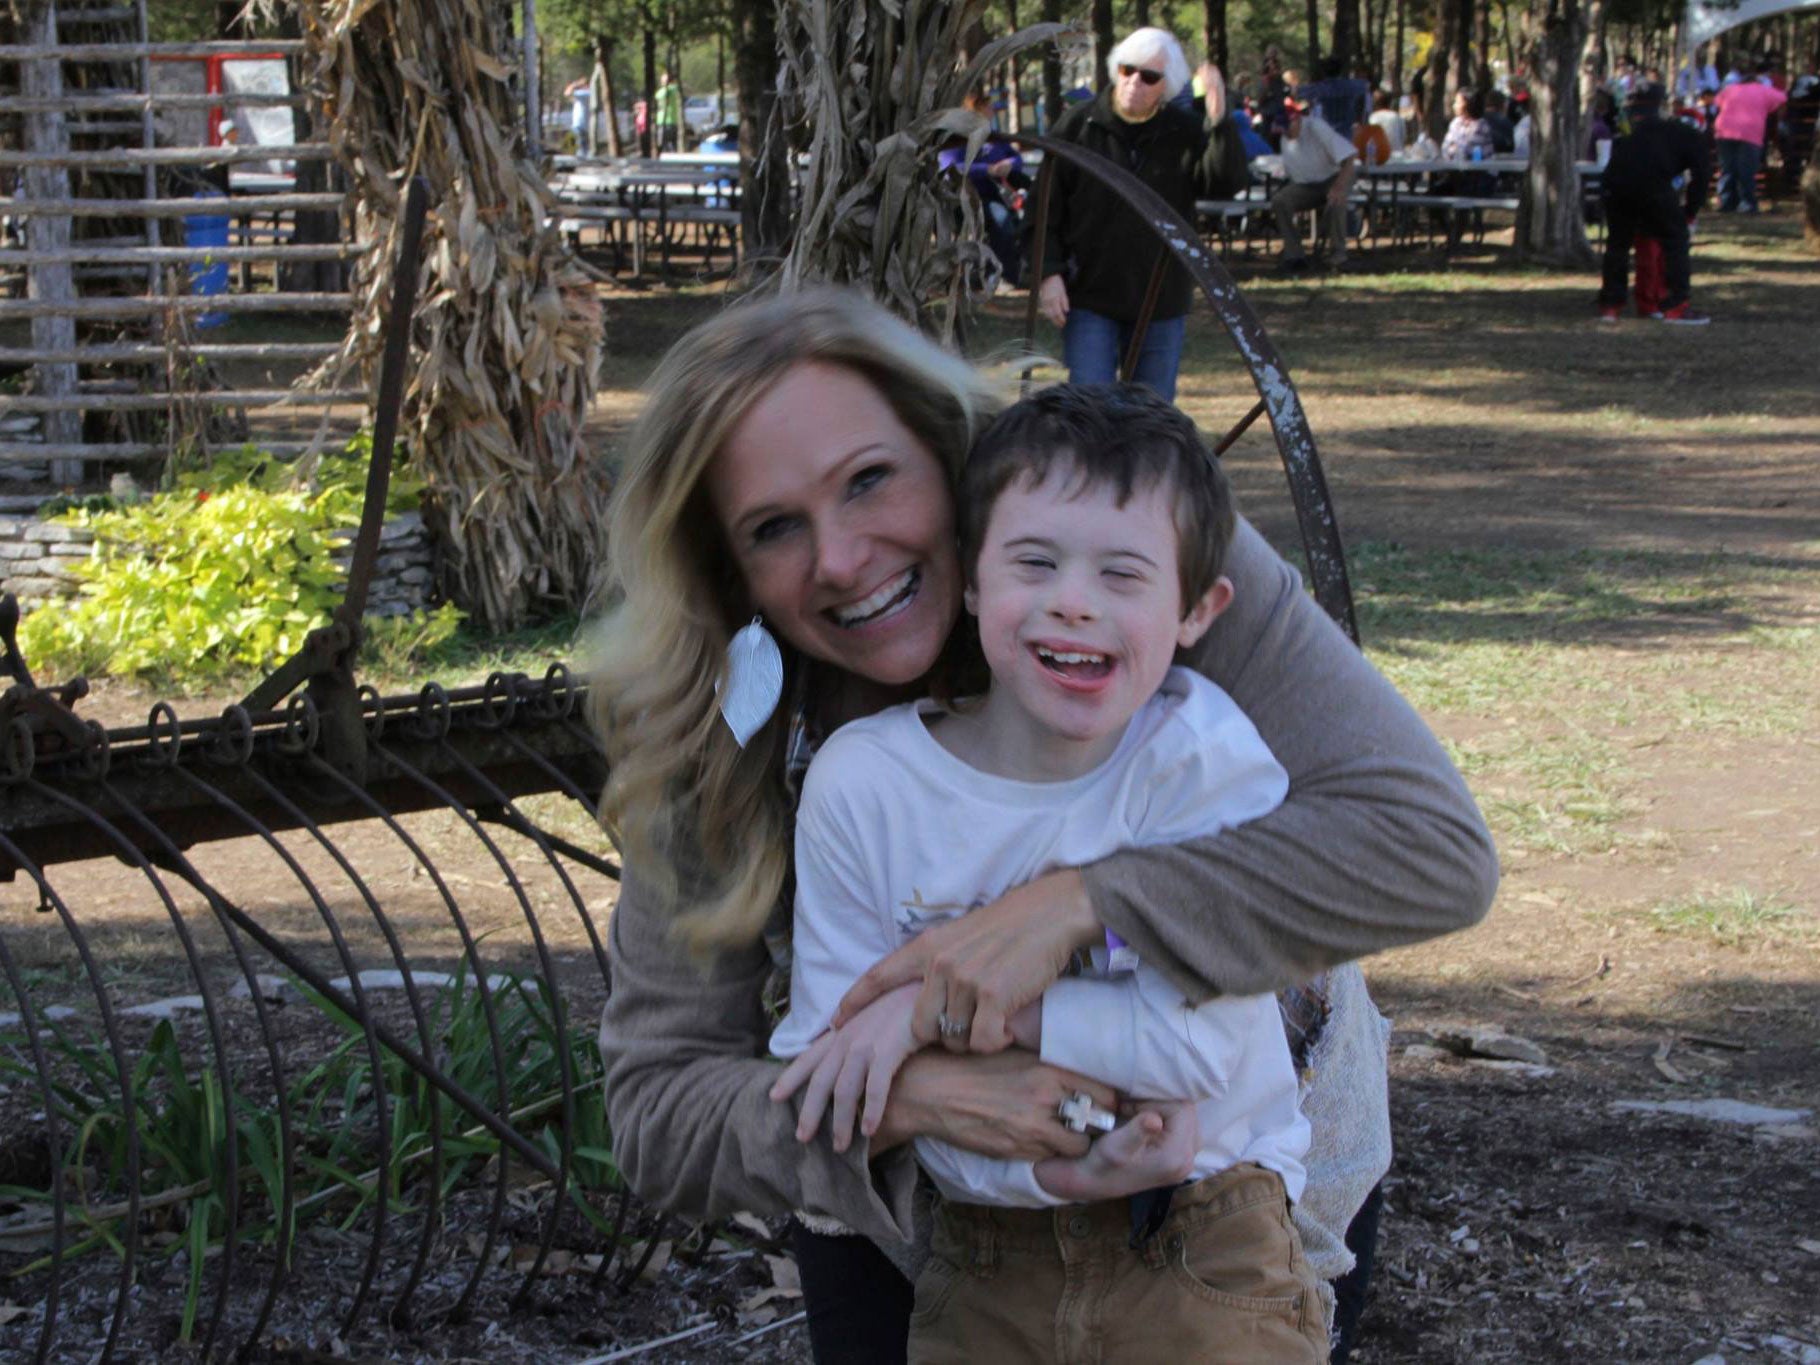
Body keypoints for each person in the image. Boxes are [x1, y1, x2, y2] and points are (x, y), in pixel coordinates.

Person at [590, 287, 1498, 1365]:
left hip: (1231, 1193)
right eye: (773, 529)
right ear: (725, 570)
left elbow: (1426, 850)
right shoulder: (726, 721)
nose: (838, 558)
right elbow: (658, 1106)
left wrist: (1073, 910)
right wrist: (915, 1098)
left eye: (869, 481)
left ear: (953, 458)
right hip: (920, 1223)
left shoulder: (1121, 532)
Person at [768, 384, 1327, 1360]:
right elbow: (826, 1059)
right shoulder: (865, 786)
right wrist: (1088, 1056)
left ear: (1197, 608)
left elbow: (1193, 1055)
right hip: (985, 1265)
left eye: (1122, 574)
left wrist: (916, 1018)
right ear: (971, 581)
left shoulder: (1197, 763)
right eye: (1034, 562)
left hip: (1200, 1247)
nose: (1073, 599)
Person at [1032, 28, 1248, 401]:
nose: (1135, 82)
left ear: (1166, 86)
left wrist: (1218, 118)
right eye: (1128, 70)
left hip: (1161, 299)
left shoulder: (1183, 132)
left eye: (1150, 76)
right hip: (1089, 296)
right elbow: (1043, 206)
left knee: (1152, 414)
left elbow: (1223, 183)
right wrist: (1047, 274)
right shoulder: (1078, 126)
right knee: (1090, 408)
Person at [1596, 82, 1710, 325]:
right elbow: (1701, 179)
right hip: (1652, 183)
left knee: (1618, 243)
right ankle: (1676, 305)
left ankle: (1610, 305)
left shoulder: (1634, 129)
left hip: (1615, 182)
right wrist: (1689, 212)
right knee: (1676, 240)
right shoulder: (1692, 138)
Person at [939, 90, 1028, 288]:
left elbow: (1016, 157)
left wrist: (1009, 164)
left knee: (1010, 222)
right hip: (963, 200)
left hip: (993, 196)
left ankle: (1006, 272)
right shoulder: (957, 137)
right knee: (999, 221)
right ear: (974, 109)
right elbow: (951, 168)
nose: (992, 110)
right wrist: (988, 169)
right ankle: (999, 275)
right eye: (987, 106)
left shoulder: (993, 137)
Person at [1271, 98, 1360, 275]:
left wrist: (1339, 186)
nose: (1286, 134)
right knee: (1280, 200)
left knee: (1336, 200)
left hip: (1333, 176)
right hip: (1307, 184)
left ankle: (1338, 253)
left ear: (1296, 120)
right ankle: (1294, 254)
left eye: (1288, 128)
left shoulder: (1316, 128)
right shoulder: (1284, 138)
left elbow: (1349, 157)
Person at [1713, 59, 1789, 211]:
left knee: (1727, 169)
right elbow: (1782, 97)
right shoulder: (1763, 90)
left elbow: (1717, 101)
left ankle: (1726, 202)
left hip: (1724, 131)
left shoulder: (1730, 89)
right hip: (1750, 133)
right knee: (1746, 169)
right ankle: (1747, 203)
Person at [1300, 55, 1372, 138]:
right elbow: (1366, 86)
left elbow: (1299, 92)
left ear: (1323, 71)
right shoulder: (1351, 86)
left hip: (1326, 134)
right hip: (1346, 135)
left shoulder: (1319, 88)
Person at [1441, 89, 1495, 160]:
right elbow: (1445, 147)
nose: (1454, 106)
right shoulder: (1455, 123)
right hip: (1456, 167)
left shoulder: (1481, 126)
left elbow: (1471, 150)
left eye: (1457, 102)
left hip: (1479, 169)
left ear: (1468, 104)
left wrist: (1455, 147)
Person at [1369, 87, 1408, 154]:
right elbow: (1403, 137)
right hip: (1398, 154)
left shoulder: (1373, 117)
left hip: (1379, 155)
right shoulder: (1397, 116)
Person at [654, 69, 683, 153]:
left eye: (663, 80)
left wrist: (666, 85)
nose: (661, 82)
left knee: (665, 145)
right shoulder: (672, 89)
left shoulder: (669, 89)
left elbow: (658, 95)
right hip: (669, 122)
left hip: (667, 122)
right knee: (671, 145)